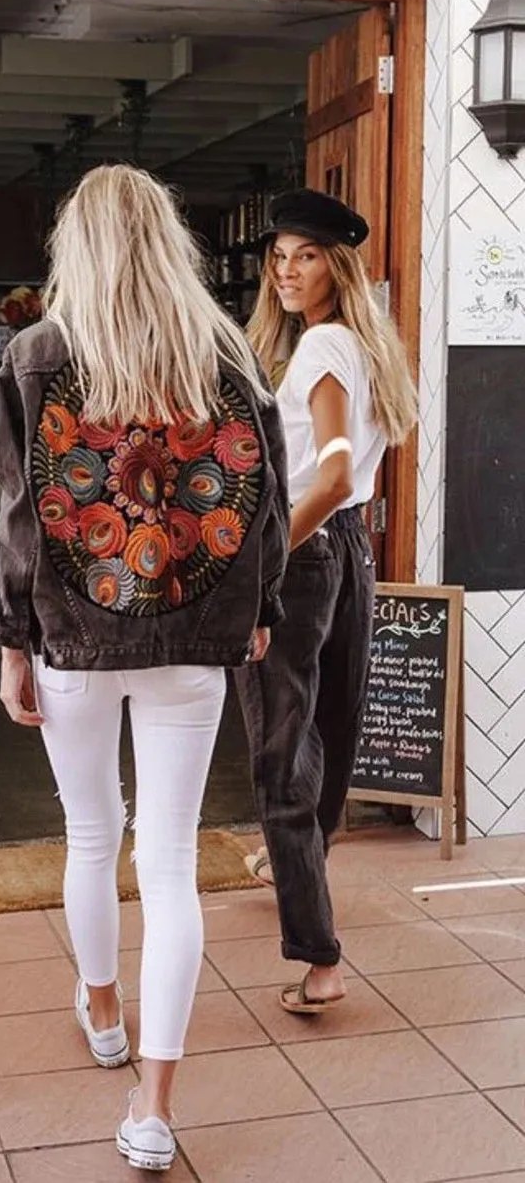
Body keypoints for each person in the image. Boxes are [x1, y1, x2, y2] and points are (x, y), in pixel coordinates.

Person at [0, 165, 289, 1172]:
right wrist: (255, 616)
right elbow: (263, 509)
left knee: (88, 831)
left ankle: (103, 1012)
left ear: (76, 246)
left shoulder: (35, 354)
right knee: (166, 862)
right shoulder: (225, 353)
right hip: (191, 639)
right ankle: (151, 1107)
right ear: (169, 242)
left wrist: (9, 640)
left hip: (72, 636)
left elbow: (19, 519)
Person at [236, 189, 418, 1014]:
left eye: (304, 255)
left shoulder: (319, 352)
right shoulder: (363, 348)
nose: (285, 270)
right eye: (279, 256)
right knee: (331, 726)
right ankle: (295, 859)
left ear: (336, 266)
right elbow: (351, 480)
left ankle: (319, 958)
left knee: (280, 748)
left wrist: (267, 555)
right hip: (351, 549)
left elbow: (334, 471)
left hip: (307, 554)